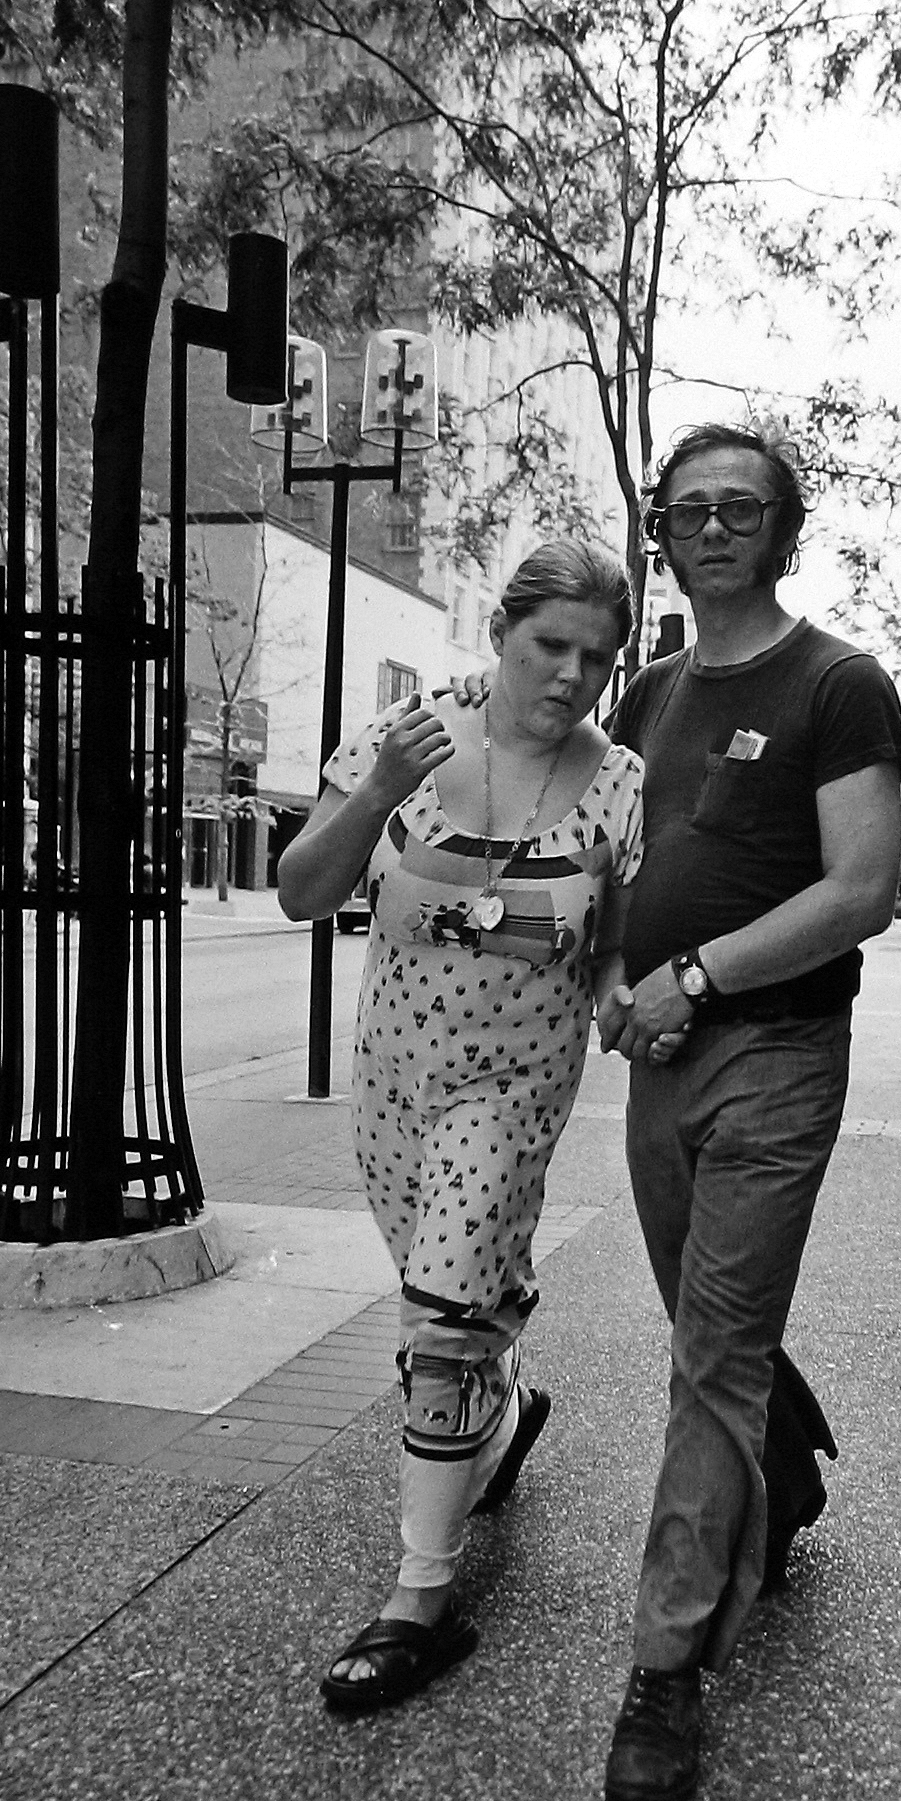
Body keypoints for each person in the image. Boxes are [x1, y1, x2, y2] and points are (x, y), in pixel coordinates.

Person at [596, 421, 901, 1801]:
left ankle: (667, 1667)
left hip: (773, 1059)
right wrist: (616, 970)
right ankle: (779, 1470)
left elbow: (860, 890)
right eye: (688, 509)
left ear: (783, 533)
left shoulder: (838, 684)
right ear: (658, 532)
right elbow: (612, 852)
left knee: (710, 1353)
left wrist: (698, 974)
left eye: (742, 508)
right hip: (655, 1058)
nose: (712, 526)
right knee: (702, 1331)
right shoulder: (649, 692)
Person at [277, 541, 645, 1714]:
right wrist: (379, 790)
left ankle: (419, 1601)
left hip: (517, 1090)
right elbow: (301, 890)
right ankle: (507, 1405)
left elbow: (612, 948)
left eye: (597, 656)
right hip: (396, 1086)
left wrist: (628, 1000)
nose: (573, 676)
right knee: (456, 1304)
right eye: (551, 646)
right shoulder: (408, 737)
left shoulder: (623, 783)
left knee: (437, 1318)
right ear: (502, 630)